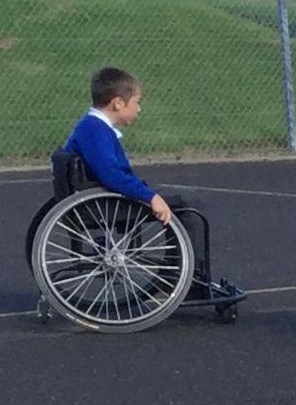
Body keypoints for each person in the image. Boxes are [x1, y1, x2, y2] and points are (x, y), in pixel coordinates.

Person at [53, 65, 243, 311]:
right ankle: (191, 282)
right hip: (103, 206)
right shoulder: (95, 130)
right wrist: (149, 196)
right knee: (188, 207)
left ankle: (180, 275)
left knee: (179, 203)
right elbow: (111, 175)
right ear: (118, 103)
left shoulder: (93, 127)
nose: (139, 108)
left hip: (99, 201)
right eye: (137, 102)